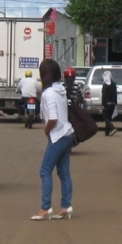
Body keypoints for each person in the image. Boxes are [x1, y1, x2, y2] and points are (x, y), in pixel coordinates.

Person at [32, 59, 75, 221]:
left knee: (45, 171)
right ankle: (65, 206)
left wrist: (46, 130)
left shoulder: (48, 94)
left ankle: (45, 208)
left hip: (57, 136)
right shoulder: (61, 91)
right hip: (68, 133)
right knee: (64, 173)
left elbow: (53, 118)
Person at [101, 70, 118, 137]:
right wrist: (115, 103)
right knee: (109, 118)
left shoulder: (105, 85)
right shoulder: (114, 84)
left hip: (107, 104)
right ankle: (107, 132)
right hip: (113, 104)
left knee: (105, 117)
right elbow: (115, 94)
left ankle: (112, 128)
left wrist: (103, 104)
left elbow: (104, 95)